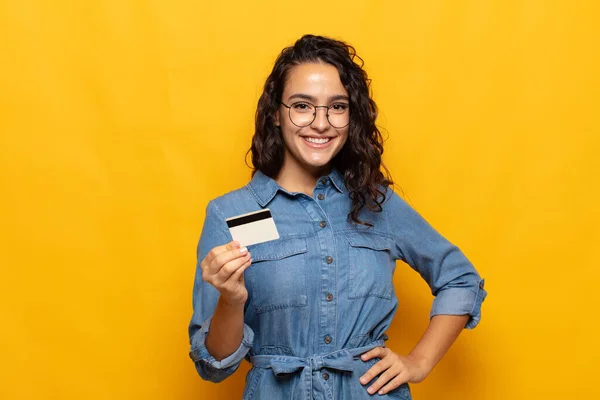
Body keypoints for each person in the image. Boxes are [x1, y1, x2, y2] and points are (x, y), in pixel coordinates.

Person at [188, 34, 487, 399]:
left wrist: (419, 362)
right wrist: (231, 300)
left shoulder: (376, 203)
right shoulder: (230, 213)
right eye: (302, 106)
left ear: (351, 116)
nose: (321, 123)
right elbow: (214, 365)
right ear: (275, 116)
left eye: (337, 107)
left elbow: (459, 279)